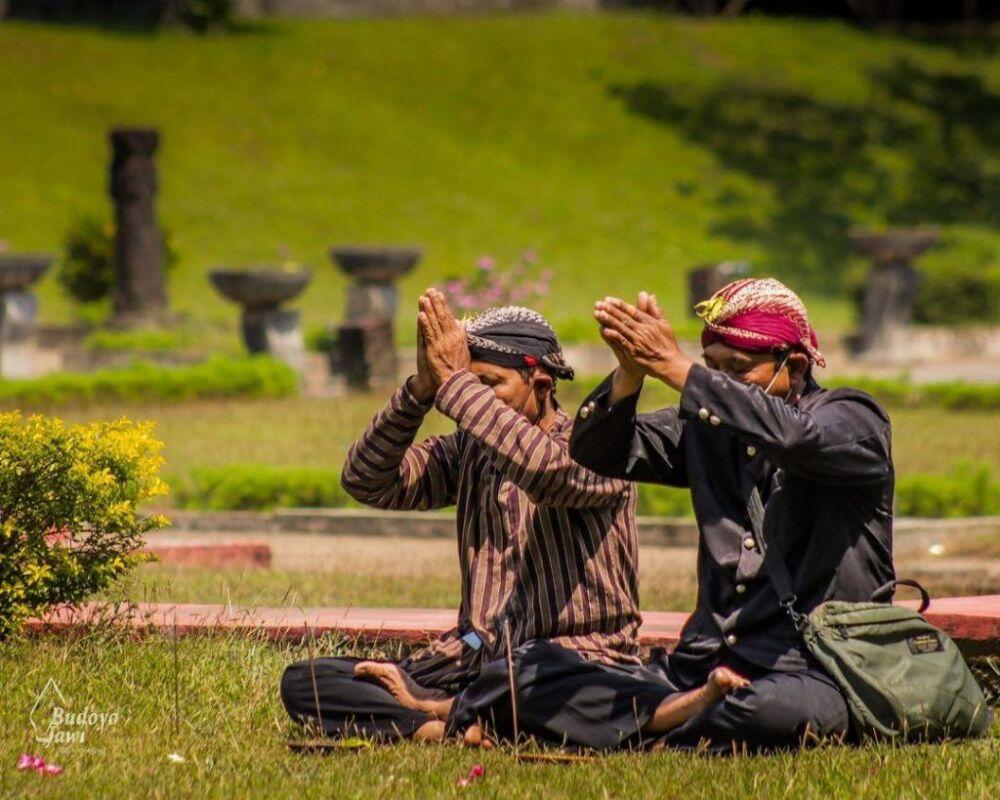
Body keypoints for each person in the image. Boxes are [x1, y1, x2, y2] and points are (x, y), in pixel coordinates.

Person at [444, 277, 895, 752]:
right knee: (528, 670)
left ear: (795, 365)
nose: (717, 382)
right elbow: (599, 453)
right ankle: (678, 718)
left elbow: (797, 438)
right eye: (711, 367)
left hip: (812, 668)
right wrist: (629, 376)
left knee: (766, 710)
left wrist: (675, 366)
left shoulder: (854, 418)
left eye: (736, 369)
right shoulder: (707, 430)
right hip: (701, 667)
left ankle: (649, 727)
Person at [280, 289, 643, 744]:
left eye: (487, 384)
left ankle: (459, 714)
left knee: (530, 682)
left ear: (542, 385)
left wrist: (455, 385)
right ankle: (441, 725)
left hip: (567, 664)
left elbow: (547, 474)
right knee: (308, 680)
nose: (472, 399)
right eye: (468, 383)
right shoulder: (470, 452)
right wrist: (421, 390)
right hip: (475, 658)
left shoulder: (597, 450)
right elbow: (367, 480)